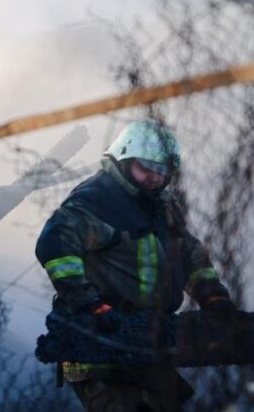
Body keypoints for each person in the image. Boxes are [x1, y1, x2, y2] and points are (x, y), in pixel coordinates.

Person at [36, 119, 234, 412]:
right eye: (146, 167)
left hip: (144, 340)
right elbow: (55, 246)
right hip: (99, 341)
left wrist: (212, 296)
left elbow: (186, 253)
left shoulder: (161, 206)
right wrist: (91, 305)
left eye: (163, 171)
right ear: (122, 159)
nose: (155, 177)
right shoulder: (96, 201)